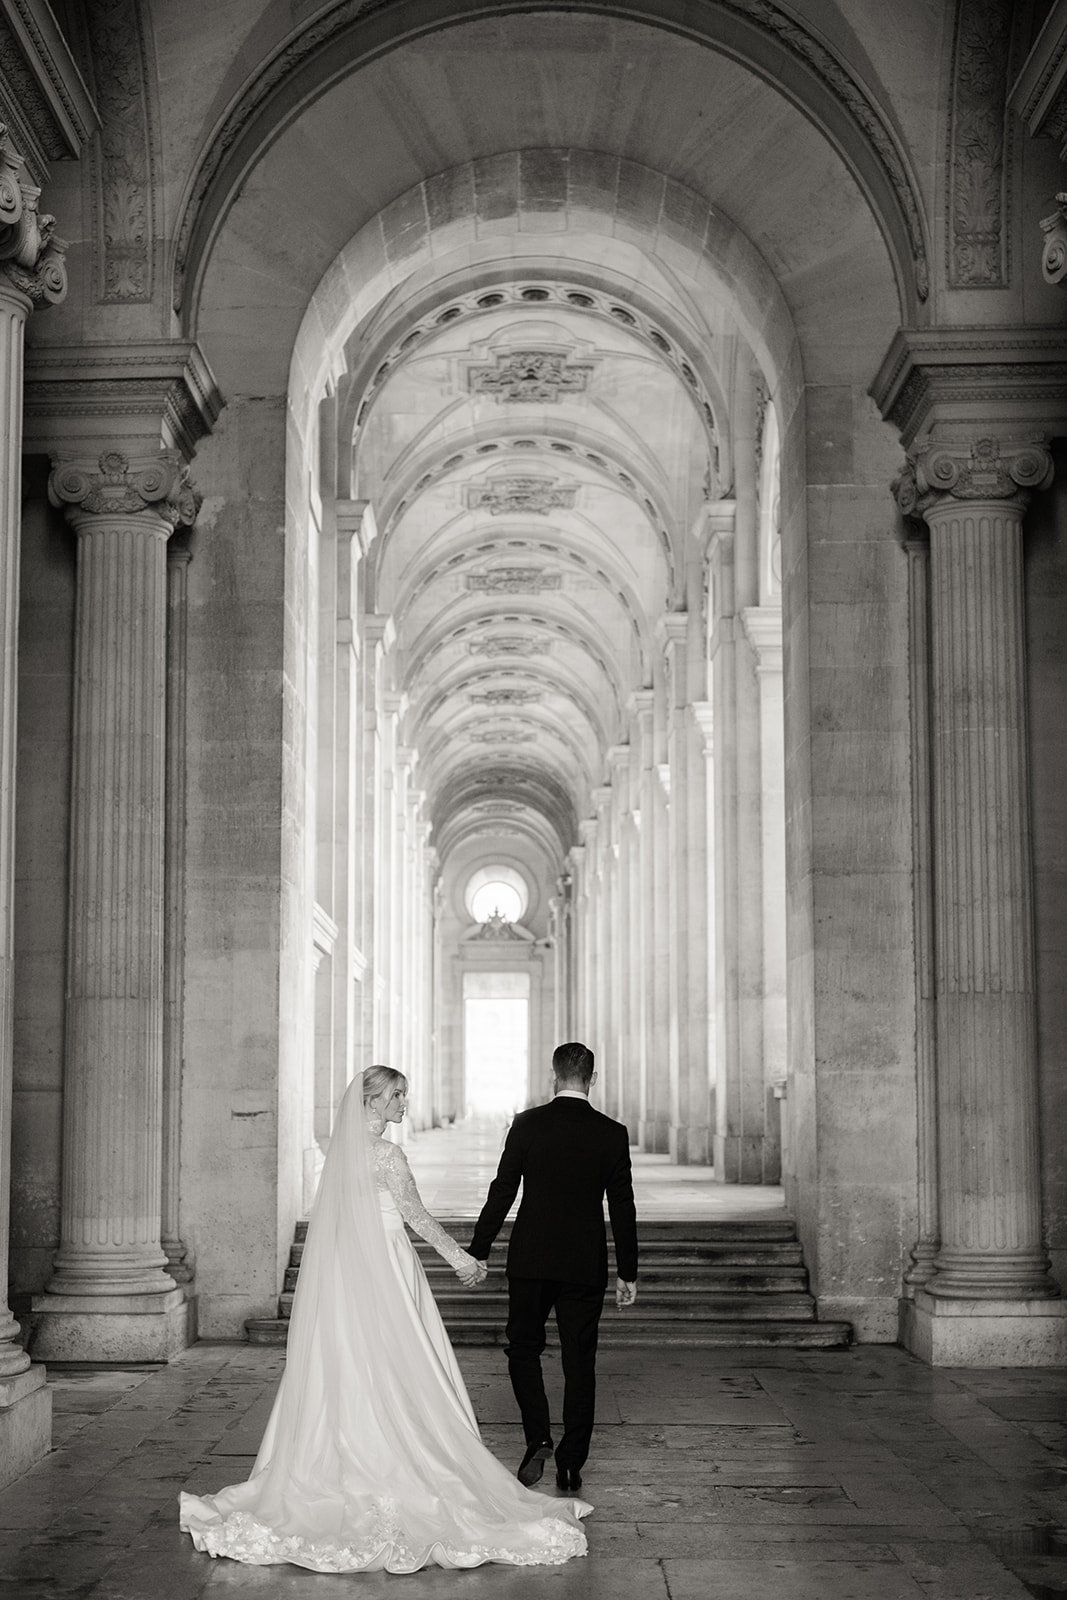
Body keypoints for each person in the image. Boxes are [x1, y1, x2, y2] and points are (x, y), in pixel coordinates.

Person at [179, 1066, 591, 1573]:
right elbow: (415, 1216)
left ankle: (345, 1455)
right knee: (401, 1364)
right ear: (371, 1102)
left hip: (349, 1273)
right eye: (397, 1096)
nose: (404, 1105)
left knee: (354, 1362)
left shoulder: (342, 1155)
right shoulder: (388, 1155)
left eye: (405, 1095)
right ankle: (397, 1459)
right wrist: (463, 1260)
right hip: (388, 1269)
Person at [468, 1041, 638, 1492]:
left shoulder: (526, 1124)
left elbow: (502, 1190)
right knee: (580, 1360)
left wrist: (479, 1247)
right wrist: (629, 1270)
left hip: (531, 1258)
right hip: (584, 1263)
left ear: (554, 1075)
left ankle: (538, 1436)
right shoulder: (612, 1132)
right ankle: (570, 1462)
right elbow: (622, 1205)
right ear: (592, 1079)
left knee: (523, 1348)